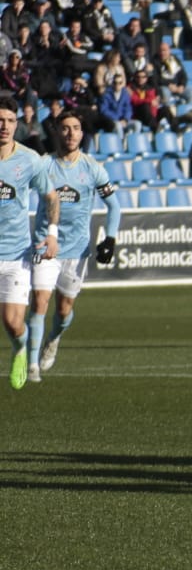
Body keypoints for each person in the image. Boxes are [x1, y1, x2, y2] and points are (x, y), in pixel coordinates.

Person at [27, 111, 122, 382]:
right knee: (40, 301)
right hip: (45, 245)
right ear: (56, 131)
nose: (70, 133)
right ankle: (32, 363)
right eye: (65, 128)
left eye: (76, 128)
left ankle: (53, 339)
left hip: (77, 250)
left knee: (63, 309)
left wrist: (111, 237)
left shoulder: (93, 168)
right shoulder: (43, 165)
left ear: (82, 134)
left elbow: (114, 206)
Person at [0, 97, 57, 389]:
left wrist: (51, 233)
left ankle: (21, 348)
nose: (4, 126)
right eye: (0, 120)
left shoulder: (29, 159)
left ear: (17, 124)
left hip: (15, 254)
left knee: (12, 323)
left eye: (10, 121)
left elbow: (51, 197)